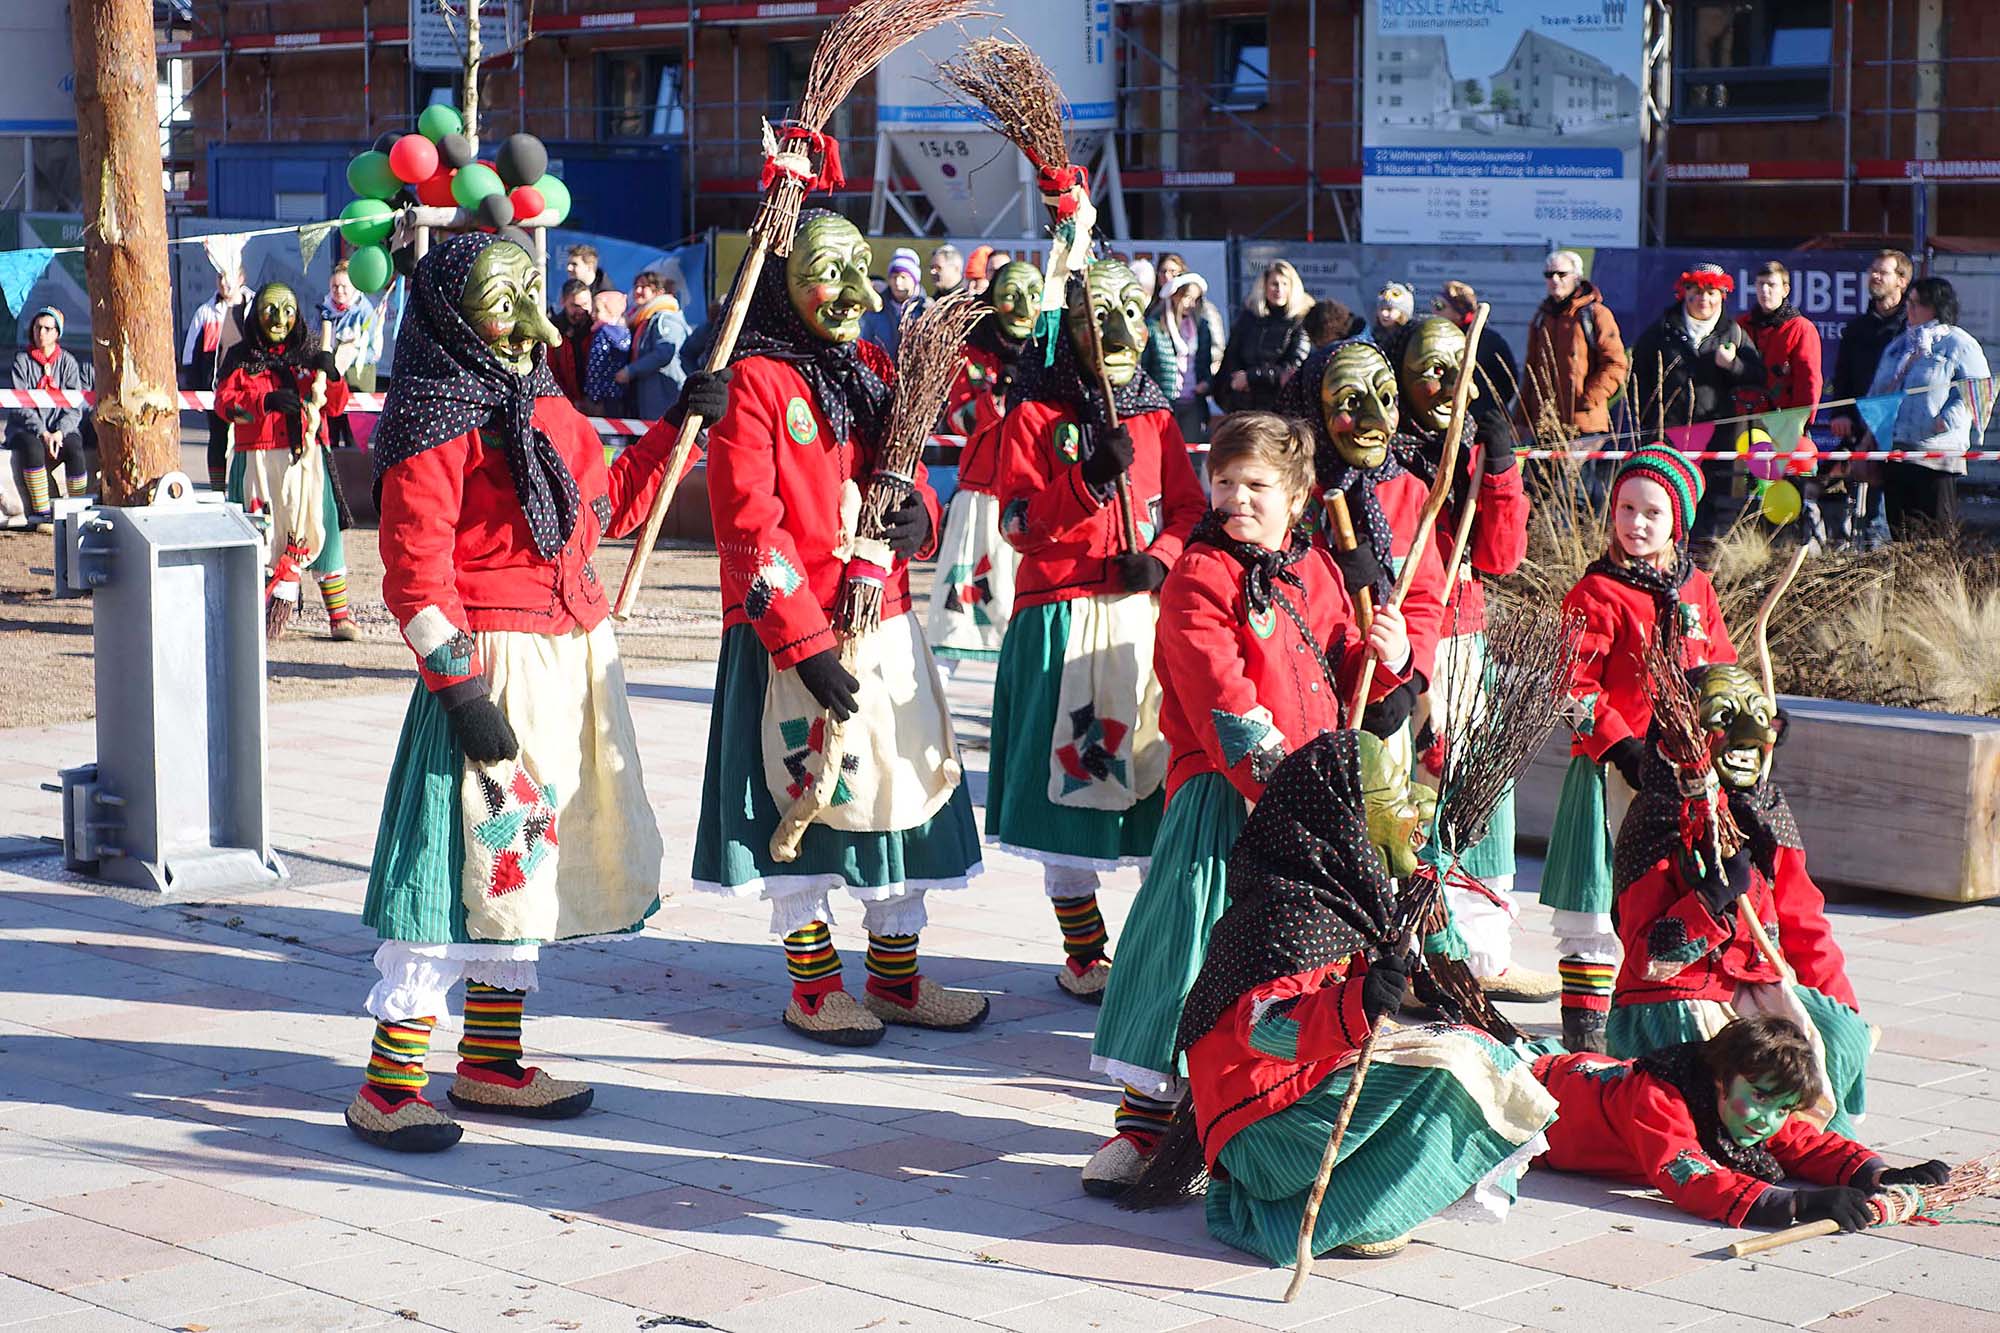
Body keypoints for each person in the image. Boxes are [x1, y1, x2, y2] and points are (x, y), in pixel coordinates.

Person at [347, 232, 712, 1153]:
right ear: (451, 318)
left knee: (528, 866)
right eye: (498, 299)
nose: (520, 316)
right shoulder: (434, 415)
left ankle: (491, 1061)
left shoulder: (546, 401)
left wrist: (679, 426)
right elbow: (414, 570)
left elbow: (606, 510)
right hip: (491, 664)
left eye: (524, 294)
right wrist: (461, 691)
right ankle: (391, 1083)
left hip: (570, 661)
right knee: (455, 866)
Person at [1080, 412, 1412, 1197]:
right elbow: (1223, 704)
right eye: (1224, 482)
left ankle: (1259, 1111)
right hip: (1227, 804)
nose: (1237, 498)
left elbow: (1345, 667)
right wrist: (1299, 799)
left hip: (1316, 805)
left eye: (1257, 485)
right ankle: (1144, 1123)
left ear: (1295, 495)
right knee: (1188, 953)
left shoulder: (1320, 569)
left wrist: (1389, 658)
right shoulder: (1199, 575)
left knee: (1297, 964)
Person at [688, 209, 988, 1048]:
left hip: (882, 619)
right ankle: (814, 987)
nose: (855, 291)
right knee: (805, 802)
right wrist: (802, 642)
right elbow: (750, 526)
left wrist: (919, 519)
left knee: (892, 792)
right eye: (830, 270)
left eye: (864, 270)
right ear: (782, 281)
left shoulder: (868, 367)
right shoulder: (755, 380)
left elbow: (909, 467)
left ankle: (896, 978)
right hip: (797, 639)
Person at [1122, 731, 1558, 1263]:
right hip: (1261, 1119)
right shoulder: (1290, 915)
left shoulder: (1340, 892)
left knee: (1474, 1048)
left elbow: (1413, 973)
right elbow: (1265, 1025)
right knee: (1455, 1068)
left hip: (1294, 1087)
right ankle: (1314, 1216)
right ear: (1348, 821)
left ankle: (1349, 1201)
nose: (1417, 801)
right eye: (1397, 792)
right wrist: (1358, 1002)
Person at [986, 259, 1207, 1003]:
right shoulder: (1034, 416)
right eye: (1096, 316)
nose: (1116, 332)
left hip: (1142, 625)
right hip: (1061, 620)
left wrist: (1165, 560)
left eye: (1129, 314)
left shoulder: (1157, 416)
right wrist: (1084, 483)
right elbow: (1017, 522)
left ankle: (1156, 949)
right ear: (1066, 329)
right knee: (1069, 791)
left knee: (1154, 784)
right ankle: (1084, 952)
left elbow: (1186, 508)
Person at [1607, 663, 1871, 1134]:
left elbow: (1802, 917)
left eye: (1758, 718)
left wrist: (1837, 1004)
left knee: (1839, 1036)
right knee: (1734, 1069)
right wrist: (1708, 902)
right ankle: (1772, 1146)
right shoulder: (1656, 819)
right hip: (1679, 993)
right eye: (1726, 719)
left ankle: (1835, 1154)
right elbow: (1648, 957)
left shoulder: (1765, 811)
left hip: (1756, 983)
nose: (1750, 734)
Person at [1541, 444, 1736, 1052]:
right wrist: (1618, 744)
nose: (1635, 524)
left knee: (1672, 881)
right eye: (1626, 508)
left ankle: (1666, 997)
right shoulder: (1597, 592)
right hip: (1615, 770)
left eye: (1652, 513)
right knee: (1604, 887)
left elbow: (1721, 665)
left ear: (1676, 521)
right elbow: (1568, 680)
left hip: (1686, 770)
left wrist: (1736, 723)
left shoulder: (1695, 588)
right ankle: (1590, 1020)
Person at [1388, 315, 1554, 1003]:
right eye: (1429, 369)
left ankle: (1482, 954)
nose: (1443, 385)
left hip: (1467, 638)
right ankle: (1415, 952)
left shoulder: (1477, 456)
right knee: (1412, 799)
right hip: (1410, 646)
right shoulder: (1387, 457)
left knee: (1478, 797)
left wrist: (1503, 470)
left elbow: (1501, 556)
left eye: (1456, 371)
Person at [1534, 1016, 1942, 1232]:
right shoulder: (1657, 1098)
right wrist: (1797, 1204)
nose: (1769, 1120)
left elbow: (1802, 1142)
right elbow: (1692, 1177)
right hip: (1534, 1098)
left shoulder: (1745, 1095)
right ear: (1719, 1081)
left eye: (1782, 1108)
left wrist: (1876, 1172)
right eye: (1762, 1099)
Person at [1276, 339, 1450, 750]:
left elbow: (1425, 600)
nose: (1377, 419)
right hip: (1303, 711)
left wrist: (1410, 677)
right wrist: (1332, 570)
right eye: (1352, 401)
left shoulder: (1409, 491)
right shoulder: (1292, 494)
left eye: (1385, 398)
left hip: (1386, 704)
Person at [214, 282, 358, 642]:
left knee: (319, 529)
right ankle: (258, 610)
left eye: (287, 310)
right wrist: (265, 402)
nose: (279, 319)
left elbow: (335, 406)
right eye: (270, 309)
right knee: (260, 534)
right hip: (258, 461)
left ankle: (339, 616)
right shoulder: (240, 358)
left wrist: (334, 375)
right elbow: (224, 405)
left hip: (307, 459)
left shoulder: (310, 355)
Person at [927, 260, 1043, 667]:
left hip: (1032, 500)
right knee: (958, 607)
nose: (1022, 306)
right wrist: (998, 395)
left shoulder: (1048, 354)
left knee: (1026, 615)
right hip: (981, 496)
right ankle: (937, 702)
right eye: (1011, 295)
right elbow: (960, 418)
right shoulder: (972, 353)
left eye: (1032, 295)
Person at [1626, 264, 1766, 547]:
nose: (1704, 298)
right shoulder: (1661, 332)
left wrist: (1734, 366)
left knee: (1713, 504)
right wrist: (1647, 425)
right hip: (1669, 433)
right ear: (1684, 294)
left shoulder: (1734, 333)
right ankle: (1669, 552)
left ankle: (1704, 563)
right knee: (1669, 495)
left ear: (1722, 295)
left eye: (1711, 292)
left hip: (1718, 435)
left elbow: (1758, 377)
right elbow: (1636, 381)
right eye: (1696, 291)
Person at [1867, 275, 1991, 537]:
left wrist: (1947, 419)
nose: (1909, 309)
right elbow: (1878, 391)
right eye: (1908, 302)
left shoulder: (1959, 343)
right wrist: (1870, 435)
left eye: (1918, 304)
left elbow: (1978, 389)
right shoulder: (1899, 345)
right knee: (1901, 534)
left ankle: (1938, 579)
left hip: (1936, 455)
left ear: (1937, 306)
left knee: (1936, 535)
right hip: (1897, 450)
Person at [1736, 261, 1827, 545]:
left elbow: (1809, 381)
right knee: (1753, 494)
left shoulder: (1800, 328)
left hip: (1789, 423)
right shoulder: (1741, 326)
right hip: (1750, 424)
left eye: (1771, 285)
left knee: (1795, 491)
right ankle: (1757, 549)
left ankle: (1805, 548)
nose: (1765, 291)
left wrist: (1798, 424)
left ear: (1785, 289)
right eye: (1760, 285)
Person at [1826, 251, 1910, 548]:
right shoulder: (1856, 329)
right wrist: (1841, 413)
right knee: (1865, 515)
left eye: (1882, 272)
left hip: (1902, 432)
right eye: (1872, 270)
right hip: (1863, 428)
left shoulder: (1911, 330)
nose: (1874, 276)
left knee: (1898, 517)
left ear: (1902, 281)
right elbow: (1843, 376)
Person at [1519, 249, 1628, 449]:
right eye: (1548, 275)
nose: (1554, 280)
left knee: (1576, 481)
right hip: (1545, 425)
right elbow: (1531, 370)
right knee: (1538, 481)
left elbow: (1616, 363)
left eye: (1561, 274)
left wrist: (1588, 399)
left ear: (1577, 277)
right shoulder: (1541, 317)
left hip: (1584, 427)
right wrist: (1521, 418)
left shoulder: (1596, 314)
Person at [8, 307, 88, 524]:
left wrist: (60, 432)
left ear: (57, 333)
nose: (41, 333)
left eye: (47, 328)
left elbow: (74, 406)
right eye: (37, 327)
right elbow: (20, 405)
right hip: (27, 429)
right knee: (32, 448)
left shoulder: (68, 363)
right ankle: (42, 514)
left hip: (60, 429)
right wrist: (43, 433)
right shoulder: (21, 361)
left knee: (75, 448)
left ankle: (77, 509)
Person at [182, 266, 254, 490]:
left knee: (248, 439)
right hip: (216, 391)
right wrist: (194, 389)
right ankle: (217, 489)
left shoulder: (254, 308)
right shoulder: (205, 312)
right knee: (218, 439)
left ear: (241, 278)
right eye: (220, 277)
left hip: (247, 390)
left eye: (229, 276)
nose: (224, 283)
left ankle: (246, 489)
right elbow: (189, 354)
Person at [1215, 261, 1313, 415]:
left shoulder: (1302, 320)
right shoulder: (1248, 317)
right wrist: (1235, 383)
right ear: (1264, 287)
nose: (1279, 289)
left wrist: (1252, 377)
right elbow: (1231, 356)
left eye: (1284, 284)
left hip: (1283, 407)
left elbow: (1294, 367)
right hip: (1245, 404)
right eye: (1274, 284)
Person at [1141, 271, 1217, 444]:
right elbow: (1144, 367)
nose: (1191, 304)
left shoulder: (1201, 327)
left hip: (1193, 401)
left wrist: (1206, 382)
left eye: (1196, 300)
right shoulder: (1155, 327)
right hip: (1165, 402)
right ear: (1175, 296)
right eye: (1187, 297)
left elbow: (1205, 363)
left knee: (1191, 453)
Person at [317, 261, 385, 452]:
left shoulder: (365, 311)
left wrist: (353, 352)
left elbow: (374, 352)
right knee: (330, 431)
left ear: (353, 287)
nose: (339, 291)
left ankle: (357, 477)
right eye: (335, 286)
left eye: (343, 286)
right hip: (332, 378)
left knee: (355, 435)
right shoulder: (325, 309)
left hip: (358, 377)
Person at [1435, 279, 1519, 416]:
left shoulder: (1487, 340)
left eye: (1439, 306)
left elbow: (1509, 380)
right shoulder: (1439, 339)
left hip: (1486, 419)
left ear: (1458, 311)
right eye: (1433, 304)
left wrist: (1489, 406)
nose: (1434, 311)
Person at [617, 270, 690, 424]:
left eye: (644, 286)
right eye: (636, 286)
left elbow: (664, 353)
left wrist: (631, 371)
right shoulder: (643, 319)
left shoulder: (666, 317)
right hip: (648, 398)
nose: (637, 291)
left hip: (664, 396)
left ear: (659, 292)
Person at [860, 248, 927, 362]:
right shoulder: (876, 309)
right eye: (893, 277)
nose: (897, 283)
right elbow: (863, 344)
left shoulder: (926, 310)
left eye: (903, 277)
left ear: (915, 280)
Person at [583, 289, 632, 418]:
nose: (592, 314)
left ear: (611, 311)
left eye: (597, 311)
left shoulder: (602, 333)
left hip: (600, 395)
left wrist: (593, 395)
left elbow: (596, 366)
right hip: (618, 393)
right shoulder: (625, 332)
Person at [546, 278, 594, 405]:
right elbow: (551, 371)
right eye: (575, 305)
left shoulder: (596, 328)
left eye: (586, 305)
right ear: (563, 302)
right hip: (565, 400)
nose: (581, 311)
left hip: (594, 400)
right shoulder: (554, 331)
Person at [1371, 281, 1414, 346]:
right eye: (1381, 309)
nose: (1384, 313)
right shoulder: (1373, 336)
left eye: (1389, 309)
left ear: (1403, 313)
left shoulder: (1410, 337)